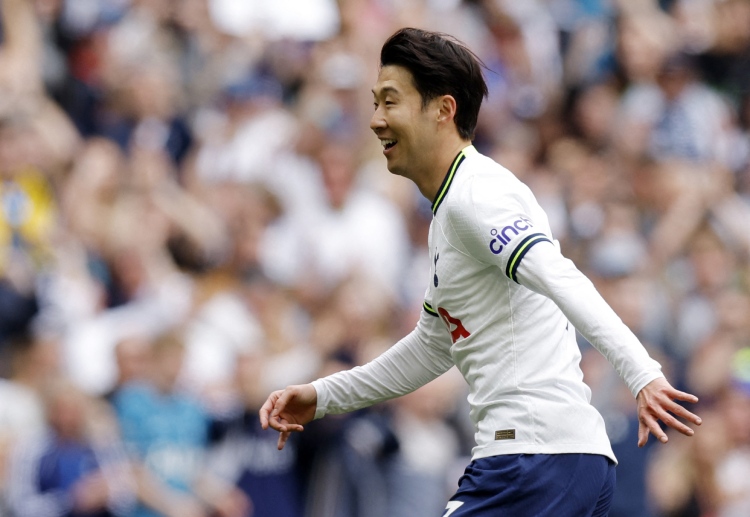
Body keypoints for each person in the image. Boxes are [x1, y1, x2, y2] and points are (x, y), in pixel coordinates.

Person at [259, 27, 702, 516]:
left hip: (532, 459)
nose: (375, 121)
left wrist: (642, 374)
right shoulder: (454, 208)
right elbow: (431, 347)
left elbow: (560, 276)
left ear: (443, 109)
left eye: (390, 102)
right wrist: (323, 396)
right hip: (559, 458)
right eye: (375, 103)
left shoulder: (475, 199)